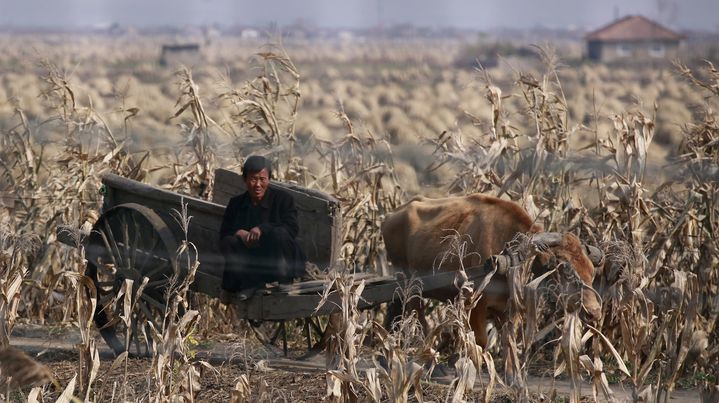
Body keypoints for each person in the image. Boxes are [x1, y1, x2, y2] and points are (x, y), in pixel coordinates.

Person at [219, 156, 306, 302]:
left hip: (278, 261)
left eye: (262, 179)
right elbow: (224, 233)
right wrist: (239, 233)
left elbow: (291, 228)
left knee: (280, 233)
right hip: (251, 264)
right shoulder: (236, 204)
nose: (258, 184)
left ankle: (285, 280)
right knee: (229, 242)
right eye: (253, 179)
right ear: (245, 179)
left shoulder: (283, 199)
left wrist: (262, 229)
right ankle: (250, 283)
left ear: (269, 180)